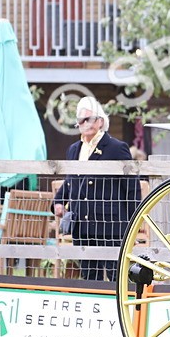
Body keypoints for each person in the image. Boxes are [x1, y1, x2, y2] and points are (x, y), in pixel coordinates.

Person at [52, 96, 141, 281]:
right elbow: (70, 180)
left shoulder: (117, 148)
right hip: (82, 226)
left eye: (90, 119)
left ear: (100, 121)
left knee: (117, 278)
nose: (86, 123)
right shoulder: (73, 149)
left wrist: (134, 226)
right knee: (89, 279)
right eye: (81, 120)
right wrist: (59, 201)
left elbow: (132, 189)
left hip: (110, 226)